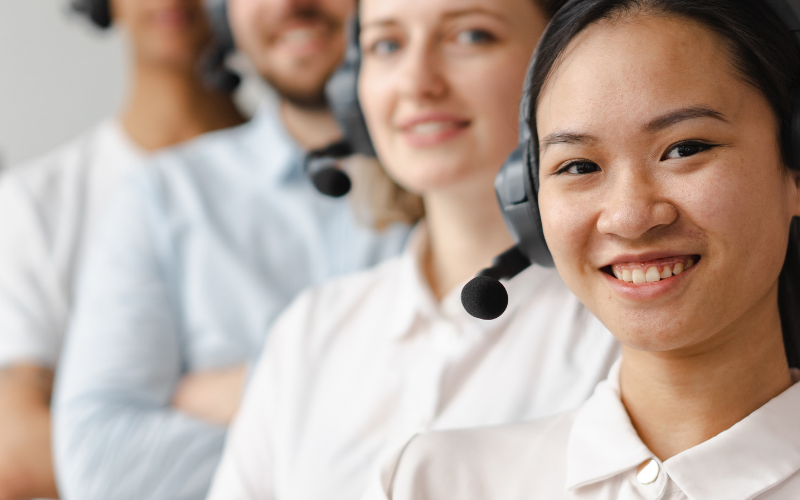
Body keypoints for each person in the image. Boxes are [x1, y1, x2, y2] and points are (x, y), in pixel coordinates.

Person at [375, 0, 800, 498]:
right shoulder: (435, 480)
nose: (629, 217)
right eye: (578, 166)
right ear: (530, 202)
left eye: (685, 149)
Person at [206, 0, 620, 498]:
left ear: (564, 62)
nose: (417, 82)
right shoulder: (311, 332)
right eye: (387, 44)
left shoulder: (623, 326)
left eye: (471, 37)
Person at [52, 0, 411, 498]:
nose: (290, 5)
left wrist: (237, 393)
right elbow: (103, 467)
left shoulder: (470, 187)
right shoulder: (162, 199)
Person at [0, 0, 244, 498]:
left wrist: (119, 431)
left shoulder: (320, 189)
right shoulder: (35, 203)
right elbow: (15, 452)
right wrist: (212, 405)